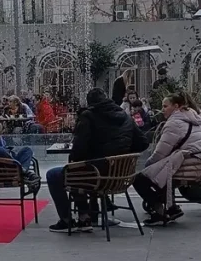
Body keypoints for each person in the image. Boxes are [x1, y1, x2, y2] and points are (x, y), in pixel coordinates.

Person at [46, 87, 150, 233]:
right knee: (78, 168)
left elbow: (78, 150)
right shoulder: (125, 116)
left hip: (96, 176)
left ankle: (71, 219)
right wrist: (122, 157)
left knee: (56, 174)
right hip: (120, 176)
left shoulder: (88, 116)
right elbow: (144, 143)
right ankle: (85, 216)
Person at [133, 93, 201, 225]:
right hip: (200, 161)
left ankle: (159, 212)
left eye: (165, 106)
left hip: (190, 164)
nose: (162, 109)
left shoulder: (174, 123)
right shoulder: (191, 118)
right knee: (162, 172)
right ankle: (171, 208)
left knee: (140, 179)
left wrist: (148, 165)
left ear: (176, 106)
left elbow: (160, 153)